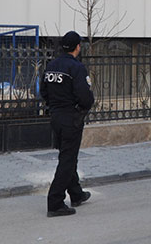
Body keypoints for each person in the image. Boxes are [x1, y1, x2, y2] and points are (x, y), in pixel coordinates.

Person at [40, 30, 95, 217]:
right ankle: (55, 202)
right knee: (67, 160)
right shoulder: (76, 68)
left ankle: (76, 194)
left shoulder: (51, 65)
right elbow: (85, 97)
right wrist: (80, 108)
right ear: (77, 47)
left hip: (56, 116)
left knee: (68, 155)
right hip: (71, 117)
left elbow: (44, 91)